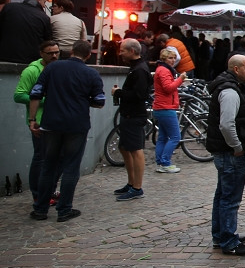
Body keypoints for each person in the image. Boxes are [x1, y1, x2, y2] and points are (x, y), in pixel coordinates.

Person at [27, 40, 106, 221]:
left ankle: (40, 209)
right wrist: (84, 100)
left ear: (71, 51)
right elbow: (100, 102)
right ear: (88, 55)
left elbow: (36, 93)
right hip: (76, 125)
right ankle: (64, 210)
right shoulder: (91, 74)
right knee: (71, 167)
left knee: (48, 165)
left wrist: (32, 119)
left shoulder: (52, 68)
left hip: (51, 123)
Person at [206, 54, 245, 256]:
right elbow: (226, 124)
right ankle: (229, 240)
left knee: (222, 194)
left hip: (224, 150)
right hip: (230, 153)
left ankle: (221, 234)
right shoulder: (230, 91)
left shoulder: (229, 87)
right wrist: (237, 146)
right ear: (236, 69)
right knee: (230, 197)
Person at [14, 40, 60, 204]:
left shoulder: (58, 68)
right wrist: (43, 99)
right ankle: (38, 194)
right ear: (41, 54)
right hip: (40, 121)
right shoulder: (31, 71)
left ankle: (50, 191)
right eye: (50, 53)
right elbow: (19, 95)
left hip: (57, 121)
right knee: (41, 158)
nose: (54, 56)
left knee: (56, 159)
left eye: (56, 52)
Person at [112, 39, 153, 201]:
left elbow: (139, 95)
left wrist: (118, 93)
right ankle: (131, 183)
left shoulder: (140, 70)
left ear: (132, 51)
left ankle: (137, 187)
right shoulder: (136, 68)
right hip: (129, 113)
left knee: (135, 150)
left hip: (134, 115)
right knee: (124, 148)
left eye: (122, 50)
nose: (120, 53)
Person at [152, 45, 188, 175]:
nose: (173, 60)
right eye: (170, 58)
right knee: (175, 137)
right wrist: (180, 79)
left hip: (162, 107)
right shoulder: (164, 70)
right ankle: (165, 162)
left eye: (174, 58)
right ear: (164, 58)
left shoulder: (162, 69)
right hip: (165, 107)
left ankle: (160, 162)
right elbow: (168, 88)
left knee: (163, 137)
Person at [0, 0, 52, 64]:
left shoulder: (9, 7)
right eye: (44, 2)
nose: (44, 6)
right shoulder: (44, 17)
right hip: (30, 60)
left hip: (4, 55)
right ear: (38, 0)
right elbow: (47, 40)